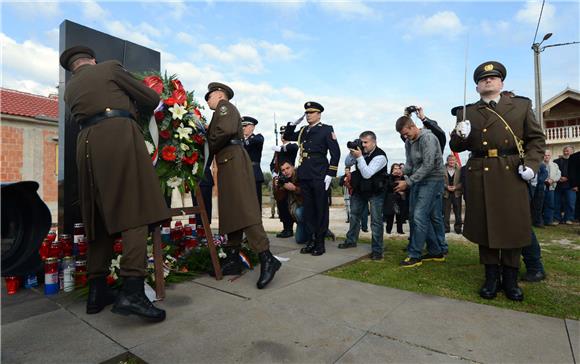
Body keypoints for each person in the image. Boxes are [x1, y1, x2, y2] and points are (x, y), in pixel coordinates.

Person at [60, 45, 169, 322]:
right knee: (135, 210)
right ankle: (132, 291)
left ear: (73, 67)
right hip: (117, 136)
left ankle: (97, 291)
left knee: (98, 216)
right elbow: (150, 96)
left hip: (85, 145)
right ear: (92, 60)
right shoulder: (108, 68)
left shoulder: (69, 91)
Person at [450, 61, 545, 301]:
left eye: (492, 78)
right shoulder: (466, 112)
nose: (487, 81)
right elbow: (456, 147)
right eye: (482, 79)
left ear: (501, 82)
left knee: (512, 225)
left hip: (511, 171)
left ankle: (511, 280)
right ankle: (491, 278)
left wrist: (532, 167)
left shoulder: (521, 106)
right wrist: (459, 134)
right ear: (477, 87)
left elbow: (536, 139)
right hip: (480, 172)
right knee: (486, 225)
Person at [205, 82, 280, 289]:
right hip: (227, 162)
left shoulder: (224, 107)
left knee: (244, 210)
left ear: (219, 94)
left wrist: (206, 143)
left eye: (208, 96)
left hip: (233, 161)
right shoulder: (220, 111)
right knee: (231, 211)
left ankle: (267, 257)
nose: (207, 100)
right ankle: (233, 258)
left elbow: (226, 130)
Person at [283, 101, 340, 256]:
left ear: (319, 114)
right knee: (308, 209)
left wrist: (330, 174)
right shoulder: (303, 131)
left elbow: (336, 153)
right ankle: (312, 240)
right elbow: (287, 136)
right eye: (307, 113)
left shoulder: (326, 130)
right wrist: (293, 124)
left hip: (319, 173)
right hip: (305, 174)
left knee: (320, 209)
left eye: (311, 112)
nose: (308, 115)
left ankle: (320, 243)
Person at [395, 112, 447, 268]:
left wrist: (408, 182)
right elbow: (410, 164)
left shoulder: (428, 138)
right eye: (403, 135)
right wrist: (402, 172)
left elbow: (428, 165)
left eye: (406, 133)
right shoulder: (408, 142)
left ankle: (415, 254)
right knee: (416, 216)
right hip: (418, 179)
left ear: (413, 126)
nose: (406, 137)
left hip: (433, 179)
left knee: (419, 216)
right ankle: (436, 251)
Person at [338, 131, 387, 260]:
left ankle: (377, 250)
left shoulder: (380, 156)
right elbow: (348, 163)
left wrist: (359, 157)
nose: (363, 145)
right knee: (354, 216)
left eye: (366, 142)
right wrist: (352, 151)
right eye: (362, 142)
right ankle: (351, 240)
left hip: (376, 191)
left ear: (374, 142)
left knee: (376, 221)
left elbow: (367, 173)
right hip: (360, 189)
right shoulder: (361, 152)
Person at [270, 125, 299, 238]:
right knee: (280, 204)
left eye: (285, 133)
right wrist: (274, 173)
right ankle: (285, 227)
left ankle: (290, 228)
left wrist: (280, 149)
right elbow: (272, 164)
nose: (283, 136)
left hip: (288, 178)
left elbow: (293, 149)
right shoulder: (278, 151)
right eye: (281, 134)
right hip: (279, 178)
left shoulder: (291, 146)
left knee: (288, 203)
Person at [273, 161, 310, 244]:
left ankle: (313, 231)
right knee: (299, 240)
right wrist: (277, 187)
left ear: (293, 167)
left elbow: (308, 192)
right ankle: (307, 231)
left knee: (299, 212)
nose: (286, 171)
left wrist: (294, 188)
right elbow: (279, 198)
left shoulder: (300, 175)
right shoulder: (283, 180)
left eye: (288, 168)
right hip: (296, 214)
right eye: (283, 170)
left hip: (306, 209)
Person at [242, 116, 265, 209]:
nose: (243, 128)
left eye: (245, 125)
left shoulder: (257, 138)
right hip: (242, 173)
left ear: (252, 127)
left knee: (255, 202)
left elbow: (258, 140)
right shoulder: (241, 141)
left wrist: (243, 142)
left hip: (253, 173)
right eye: (242, 126)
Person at [554, 146, 576, 224]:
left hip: (571, 186)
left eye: (567, 151)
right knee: (556, 203)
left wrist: (567, 178)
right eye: (564, 151)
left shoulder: (576, 162)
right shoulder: (556, 161)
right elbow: (554, 171)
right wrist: (558, 178)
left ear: (572, 152)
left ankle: (569, 218)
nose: (566, 152)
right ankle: (557, 219)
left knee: (570, 203)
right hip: (558, 185)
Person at [384, 163, 407, 235]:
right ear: (392, 170)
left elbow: (406, 186)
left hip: (400, 199)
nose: (397, 170)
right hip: (391, 199)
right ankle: (388, 231)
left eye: (398, 168)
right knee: (390, 217)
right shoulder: (389, 177)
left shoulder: (402, 177)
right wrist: (392, 175)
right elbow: (389, 186)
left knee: (400, 216)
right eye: (395, 168)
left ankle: (400, 231)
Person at [443, 154, 463, 234]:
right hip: (446, 193)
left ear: (455, 161)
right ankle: (446, 228)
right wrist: (446, 187)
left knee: (458, 212)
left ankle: (458, 228)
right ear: (447, 161)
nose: (451, 162)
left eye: (453, 160)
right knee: (445, 212)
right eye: (450, 160)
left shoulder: (460, 169)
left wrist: (456, 187)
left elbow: (462, 181)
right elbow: (440, 181)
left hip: (457, 193)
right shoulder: (442, 169)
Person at [543, 150, 561, 226]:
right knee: (540, 204)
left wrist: (553, 180)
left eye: (548, 155)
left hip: (551, 187)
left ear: (550, 156)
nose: (546, 156)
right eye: (545, 155)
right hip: (541, 187)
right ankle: (539, 221)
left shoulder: (555, 165)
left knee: (550, 204)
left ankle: (549, 221)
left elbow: (558, 174)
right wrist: (544, 180)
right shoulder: (539, 164)